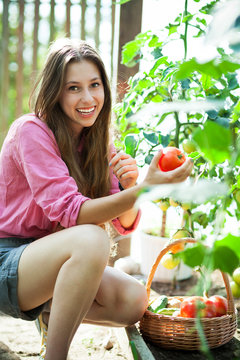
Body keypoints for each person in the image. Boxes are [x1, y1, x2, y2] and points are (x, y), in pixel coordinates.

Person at [0, 38, 193, 360]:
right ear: (54, 92)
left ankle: (52, 311)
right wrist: (146, 188)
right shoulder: (30, 131)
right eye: (73, 88)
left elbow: (122, 223)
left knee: (132, 300)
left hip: (49, 264)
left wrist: (133, 183)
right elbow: (75, 214)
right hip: (8, 258)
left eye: (95, 85)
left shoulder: (95, 142)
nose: (88, 98)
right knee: (89, 238)